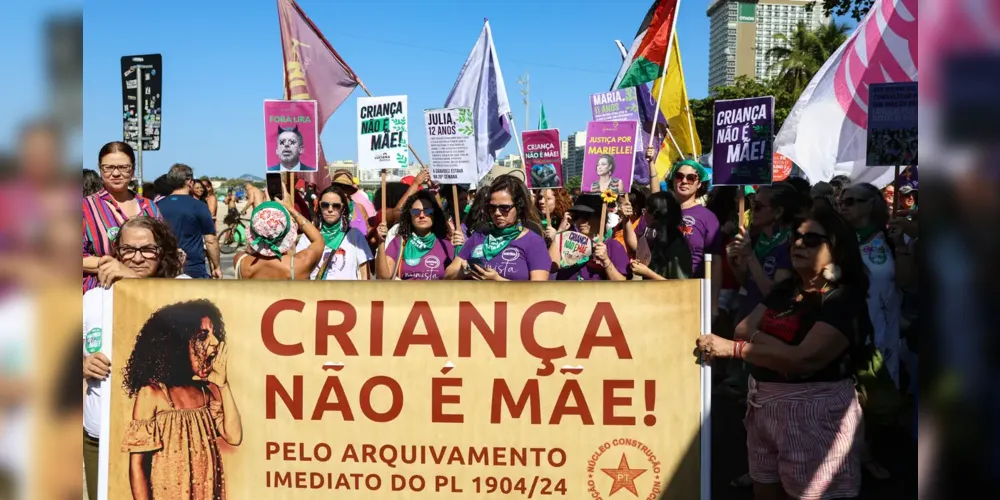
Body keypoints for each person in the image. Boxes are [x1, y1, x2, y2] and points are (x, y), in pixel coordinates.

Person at [695, 208, 869, 500]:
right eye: (796, 237)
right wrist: (782, 351)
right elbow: (742, 328)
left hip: (815, 416)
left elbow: (803, 360)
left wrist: (740, 350)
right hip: (763, 408)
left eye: (812, 240)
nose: (799, 244)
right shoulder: (787, 289)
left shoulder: (843, 298)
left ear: (837, 247)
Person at [82, 217, 188, 500]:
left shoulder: (185, 288)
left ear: (162, 250)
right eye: (128, 250)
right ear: (117, 251)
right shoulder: (93, 298)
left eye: (148, 250)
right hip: (100, 436)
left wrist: (132, 281)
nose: (137, 258)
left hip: (165, 442)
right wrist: (81, 364)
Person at [121, 299, 242, 500]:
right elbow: (138, 466)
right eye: (203, 336)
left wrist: (223, 384)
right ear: (177, 343)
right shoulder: (152, 394)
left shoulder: (203, 393)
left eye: (214, 334)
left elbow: (234, 436)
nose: (214, 343)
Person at [82, 141, 161, 292]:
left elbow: (163, 247)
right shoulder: (85, 207)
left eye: (123, 167)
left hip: (145, 292)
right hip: (101, 293)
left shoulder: (149, 207)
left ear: (132, 170)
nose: (116, 173)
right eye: (109, 168)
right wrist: (111, 265)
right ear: (100, 169)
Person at [446, 175, 551, 281]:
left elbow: (538, 290)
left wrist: (498, 280)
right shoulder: (479, 236)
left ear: (519, 207)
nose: (497, 213)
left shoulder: (534, 242)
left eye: (504, 208)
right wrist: (462, 272)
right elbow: (448, 274)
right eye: (492, 207)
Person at [234, 184, 325, 280]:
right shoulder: (299, 265)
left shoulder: (241, 262)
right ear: (287, 234)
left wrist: (264, 211)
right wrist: (291, 209)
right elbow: (318, 240)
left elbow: (250, 249)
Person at [374, 191, 462, 280]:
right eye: (415, 211)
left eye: (428, 211)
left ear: (434, 214)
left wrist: (462, 248)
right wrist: (381, 242)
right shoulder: (398, 242)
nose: (422, 215)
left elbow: (456, 276)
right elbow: (384, 277)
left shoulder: (446, 244)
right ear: (409, 216)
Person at [156, 164, 222, 279]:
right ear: (189, 182)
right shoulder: (199, 206)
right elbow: (210, 240)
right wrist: (216, 266)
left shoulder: (156, 206)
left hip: (164, 266)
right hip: (192, 267)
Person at [296, 185, 372, 280]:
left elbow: (364, 274)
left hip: (347, 294)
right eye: (325, 205)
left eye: (336, 206)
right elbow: (298, 269)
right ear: (319, 206)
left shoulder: (355, 235)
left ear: (343, 208)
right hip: (316, 293)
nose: (330, 209)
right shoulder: (308, 237)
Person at [549, 194, 629, 281]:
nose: (580, 221)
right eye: (577, 216)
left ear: (600, 217)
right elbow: (551, 267)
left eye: (586, 215)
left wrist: (606, 261)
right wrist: (560, 231)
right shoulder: (566, 241)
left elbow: (621, 284)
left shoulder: (612, 246)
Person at [629, 191, 691, 280]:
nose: (644, 214)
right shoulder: (657, 239)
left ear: (655, 215)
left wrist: (646, 272)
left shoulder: (676, 245)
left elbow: (680, 286)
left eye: (646, 210)